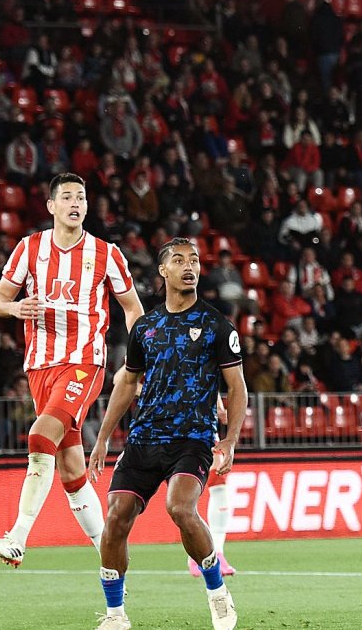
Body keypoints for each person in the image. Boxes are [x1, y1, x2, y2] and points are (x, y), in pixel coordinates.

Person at [0, 173, 144, 568]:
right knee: (71, 470)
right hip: (40, 366)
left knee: (40, 436)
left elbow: (133, 308)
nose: (75, 203)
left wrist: (137, 360)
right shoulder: (29, 248)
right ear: (51, 206)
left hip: (84, 362)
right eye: (67, 197)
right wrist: (16, 307)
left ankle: (18, 537)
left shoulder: (106, 253)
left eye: (81, 197)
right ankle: (112, 559)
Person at [88, 238, 244, 629]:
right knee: (115, 518)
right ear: (163, 271)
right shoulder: (146, 327)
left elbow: (237, 387)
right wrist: (103, 438)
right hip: (144, 439)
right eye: (179, 260)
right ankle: (115, 614)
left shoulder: (216, 325)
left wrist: (229, 439)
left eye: (194, 260)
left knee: (180, 508)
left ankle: (217, 593)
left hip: (192, 439)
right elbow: (127, 383)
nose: (189, 266)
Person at [189, 398, 237, 577]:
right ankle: (196, 554)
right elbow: (121, 383)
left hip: (203, 423)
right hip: (171, 427)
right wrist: (153, 395)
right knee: (186, 490)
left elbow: (209, 381)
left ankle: (217, 552)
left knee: (218, 480)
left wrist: (219, 406)